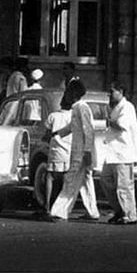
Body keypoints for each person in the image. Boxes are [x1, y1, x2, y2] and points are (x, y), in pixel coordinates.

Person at [48, 79, 100, 222]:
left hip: (81, 151)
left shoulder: (81, 107)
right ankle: (92, 211)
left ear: (73, 93)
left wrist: (87, 151)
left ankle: (59, 211)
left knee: (70, 179)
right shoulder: (77, 108)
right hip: (82, 150)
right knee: (85, 181)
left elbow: (88, 130)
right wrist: (58, 133)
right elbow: (72, 126)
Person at [101, 81, 137, 225]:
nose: (110, 95)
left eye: (112, 92)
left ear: (121, 92)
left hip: (123, 152)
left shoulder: (127, 107)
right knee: (105, 180)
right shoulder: (114, 108)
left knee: (124, 185)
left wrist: (109, 119)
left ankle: (129, 215)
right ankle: (119, 210)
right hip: (112, 152)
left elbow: (120, 126)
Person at [39, 86, 75, 214]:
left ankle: (47, 205)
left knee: (50, 176)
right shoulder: (73, 116)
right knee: (66, 178)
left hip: (55, 150)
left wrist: (45, 140)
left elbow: (47, 133)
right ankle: (62, 207)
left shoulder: (53, 116)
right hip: (69, 149)